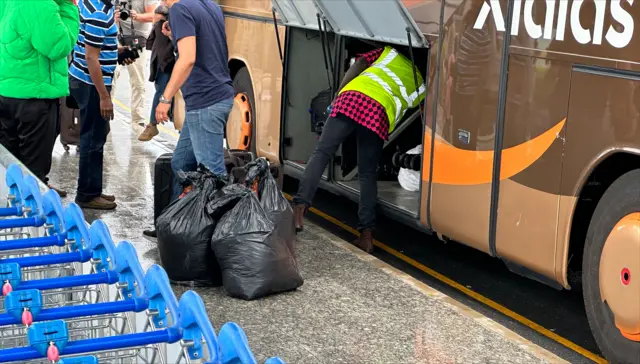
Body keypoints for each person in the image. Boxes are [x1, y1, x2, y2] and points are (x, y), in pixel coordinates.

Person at [292, 46, 425, 253]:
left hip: (352, 98)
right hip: (378, 113)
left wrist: (338, 94)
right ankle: (366, 236)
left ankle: (298, 212)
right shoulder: (422, 83)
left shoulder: (388, 52)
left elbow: (361, 63)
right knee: (367, 173)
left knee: (322, 153)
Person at [155, 0, 234, 199]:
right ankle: (175, 224)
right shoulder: (210, 6)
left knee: (212, 175)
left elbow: (188, 58)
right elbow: (203, 45)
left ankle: (219, 228)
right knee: (181, 163)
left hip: (205, 101)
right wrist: (175, 34)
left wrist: (166, 99)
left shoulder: (180, 9)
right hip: (214, 97)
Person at [0, 0, 79, 196]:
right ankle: (32, 213)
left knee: (10, 164)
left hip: (8, 91)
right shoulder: (39, 3)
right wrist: (69, 7)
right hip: (35, 97)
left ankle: (13, 208)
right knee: (33, 169)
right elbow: (58, 46)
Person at [69, 0, 135, 210]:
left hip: (84, 79)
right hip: (90, 84)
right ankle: (87, 195)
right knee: (92, 138)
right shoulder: (99, 12)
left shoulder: (94, 4)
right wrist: (104, 96)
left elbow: (95, 46)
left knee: (97, 134)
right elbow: (91, 57)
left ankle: (93, 189)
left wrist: (116, 52)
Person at [112, 0, 158, 126]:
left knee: (137, 80)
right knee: (111, 75)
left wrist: (136, 16)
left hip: (137, 41)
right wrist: (113, 17)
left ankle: (138, 119)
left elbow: (153, 15)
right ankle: (107, 114)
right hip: (117, 38)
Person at [138, 5, 175, 142]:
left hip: (165, 60)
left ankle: (153, 123)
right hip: (165, 61)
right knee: (161, 90)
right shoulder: (164, 22)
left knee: (161, 90)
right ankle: (153, 123)